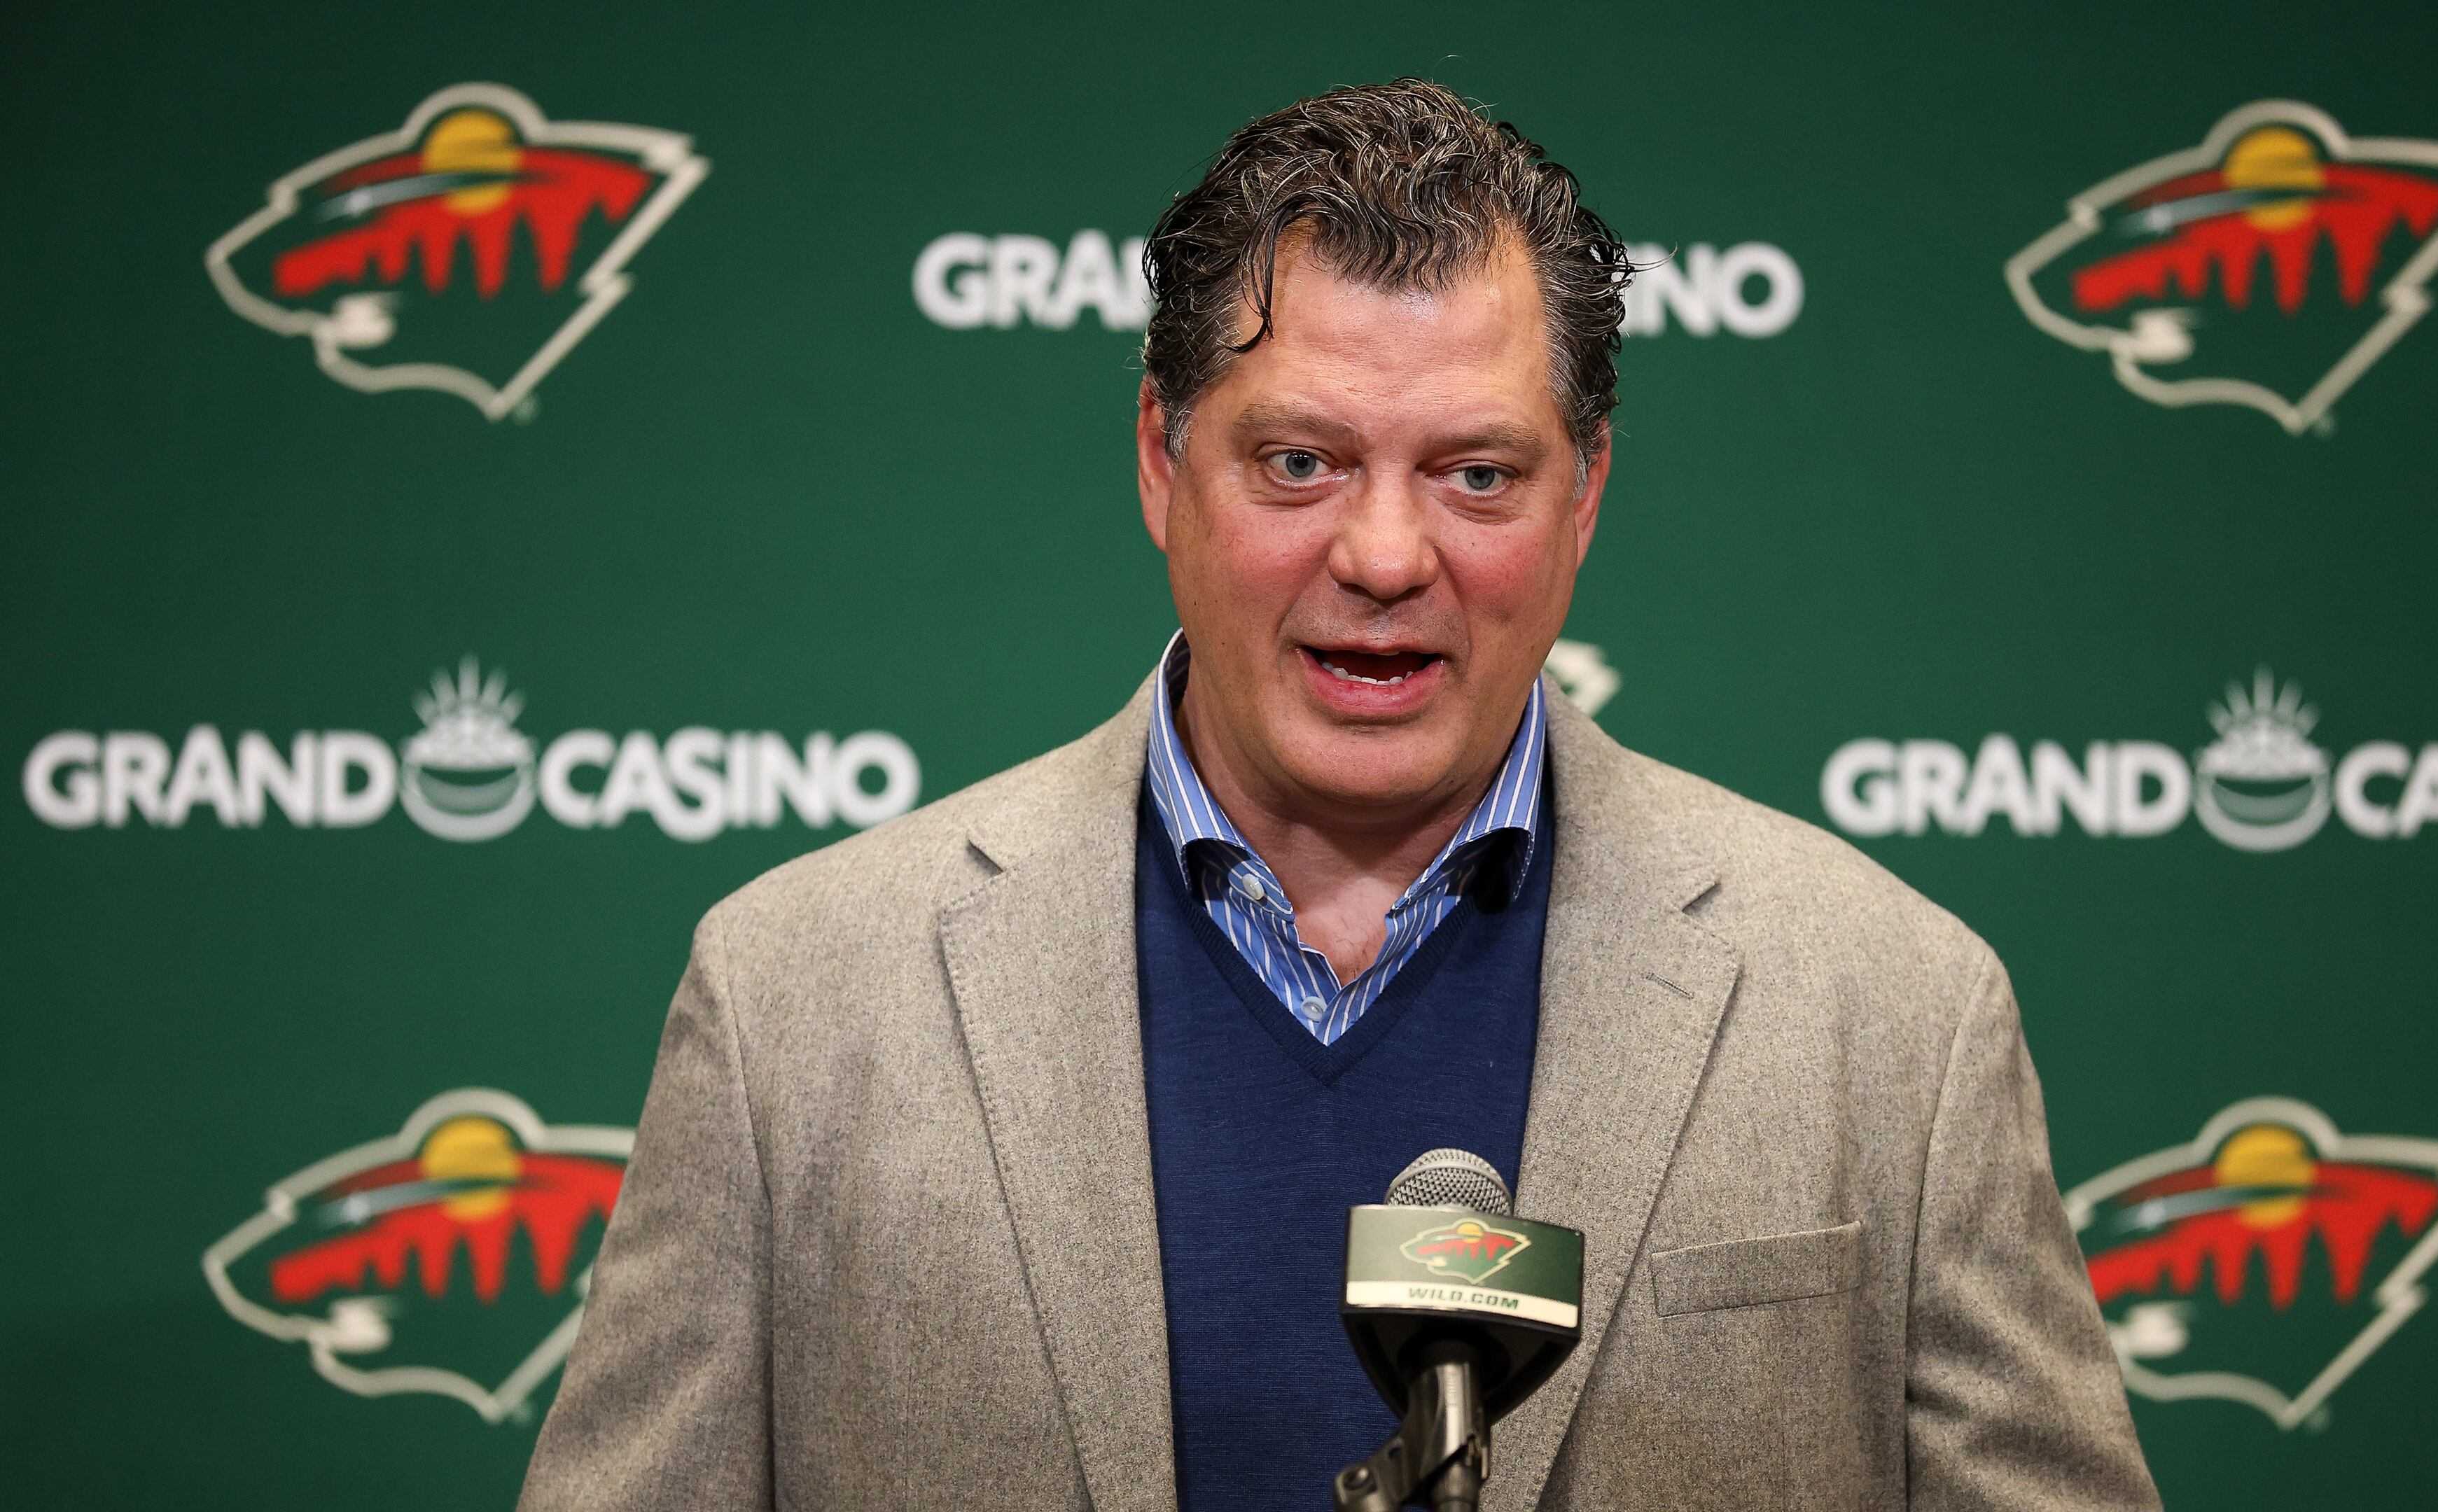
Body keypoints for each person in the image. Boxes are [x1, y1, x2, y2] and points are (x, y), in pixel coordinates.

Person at [519, 79, 2159, 1512]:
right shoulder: (795, 1002)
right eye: (1299, 462)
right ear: (1163, 461)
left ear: (1584, 496)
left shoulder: (1894, 1012)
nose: (1385, 557)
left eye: (1478, 475)